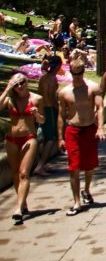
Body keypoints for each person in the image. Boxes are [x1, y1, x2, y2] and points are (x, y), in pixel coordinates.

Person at [57, 58, 106, 216]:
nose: (77, 77)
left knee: (89, 165)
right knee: (74, 167)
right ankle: (76, 202)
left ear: (83, 72)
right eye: (74, 74)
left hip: (89, 129)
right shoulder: (65, 92)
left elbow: (99, 108)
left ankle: (86, 189)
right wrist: (60, 138)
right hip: (73, 130)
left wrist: (100, 128)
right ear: (70, 72)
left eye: (80, 73)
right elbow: (61, 115)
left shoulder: (93, 87)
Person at [2, 73, 44, 223]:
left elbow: (42, 120)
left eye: (22, 83)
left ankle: (19, 208)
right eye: (17, 84)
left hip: (29, 138)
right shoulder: (10, 99)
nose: (20, 86)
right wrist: (7, 89)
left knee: (24, 173)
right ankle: (23, 202)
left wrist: (36, 114)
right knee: (15, 173)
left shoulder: (36, 99)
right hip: (11, 139)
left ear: (27, 83)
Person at [35, 56, 61, 173]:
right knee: (51, 138)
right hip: (49, 108)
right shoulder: (52, 79)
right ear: (59, 66)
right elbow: (50, 96)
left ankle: (42, 163)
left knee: (44, 137)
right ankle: (40, 165)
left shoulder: (43, 77)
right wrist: (59, 108)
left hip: (42, 108)